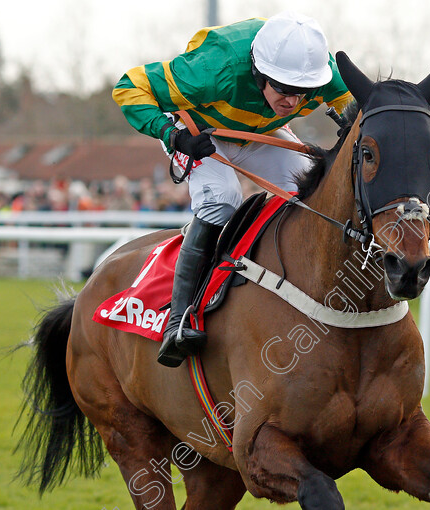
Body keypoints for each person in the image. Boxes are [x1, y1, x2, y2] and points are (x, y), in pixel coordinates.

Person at [113, 12, 353, 367]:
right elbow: (128, 86)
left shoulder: (320, 70)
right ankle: (179, 319)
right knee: (223, 200)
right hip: (201, 133)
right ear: (259, 72)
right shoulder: (214, 68)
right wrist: (174, 136)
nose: (293, 102)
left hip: (261, 130)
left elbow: (353, 108)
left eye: (302, 93)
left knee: (313, 191)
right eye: (284, 90)